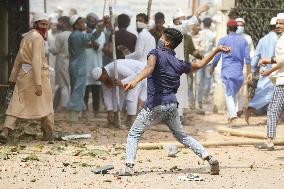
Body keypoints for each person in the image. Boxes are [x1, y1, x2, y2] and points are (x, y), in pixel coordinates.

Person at [118, 28, 231, 176]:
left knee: (134, 133)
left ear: (167, 42)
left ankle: (128, 166)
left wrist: (134, 82)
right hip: (172, 105)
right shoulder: (178, 63)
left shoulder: (155, 53)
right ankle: (209, 158)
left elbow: (150, 67)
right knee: (182, 136)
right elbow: (199, 64)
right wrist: (216, 50)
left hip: (155, 104)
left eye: (162, 37)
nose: (160, 38)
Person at [0, 13, 54, 143]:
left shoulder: (27, 36)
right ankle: (48, 133)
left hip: (23, 75)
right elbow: (36, 60)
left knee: (16, 104)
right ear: (35, 24)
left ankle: (5, 131)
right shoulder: (38, 38)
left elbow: (18, 59)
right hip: (37, 75)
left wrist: (13, 78)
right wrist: (38, 84)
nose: (44, 27)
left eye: (46, 24)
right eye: (42, 24)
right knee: (47, 106)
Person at [66, 15, 105, 121]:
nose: (84, 24)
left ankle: (77, 112)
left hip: (76, 64)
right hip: (78, 65)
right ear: (76, 25)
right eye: (81, 23)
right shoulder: (77, 35)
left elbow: (84, 44)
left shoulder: (75, 35)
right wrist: (100, 29)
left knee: (78, 88)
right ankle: (73, 114)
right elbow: (91, 37)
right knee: (78, 90)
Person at [212, 20, 251, 124]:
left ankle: (233, 115)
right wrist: (249, 72)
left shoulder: (223, 40)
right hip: (239, 72)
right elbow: (247, 58)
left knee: (229, 95)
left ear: (227, 29)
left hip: (227, 72)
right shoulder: (243, 41)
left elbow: (217, 56)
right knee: (236, 94)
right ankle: (233, 114)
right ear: (237, 28)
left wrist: (212, 66)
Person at [256, 13, 284, 150]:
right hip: (280, 78)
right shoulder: (281, 38)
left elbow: (283, 61)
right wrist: (269, 60)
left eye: (281, 23)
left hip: (282, 81)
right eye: (277, 23)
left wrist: (269, 71)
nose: (278, 26)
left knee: (273, 110)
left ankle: (269, 140)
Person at [91, 59, 146, 126]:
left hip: (139, 72)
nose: (102, 81)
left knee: (130, 96)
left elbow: (133, 76)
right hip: (124, 77)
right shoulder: (103, 79)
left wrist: (122, 82)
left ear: (104, 73)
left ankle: (129, 120)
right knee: (116, 94)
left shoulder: (116, 67)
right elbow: (107, 95)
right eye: (99, 80)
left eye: (101, 79)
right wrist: (109, 111)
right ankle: (116, 118)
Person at [245, 17, 279, 124]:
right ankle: (251, 109)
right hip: (275, 71)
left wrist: (252, 71)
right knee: (272, 95)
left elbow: (255, 57)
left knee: (263, 93)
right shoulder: (279, 40)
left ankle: (269, 117)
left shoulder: (262, 39)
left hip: (263, 71)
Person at [84, 13, 106, 116]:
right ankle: (84, 111)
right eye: (88, 21)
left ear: (96, 22)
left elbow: (98, 47)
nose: (90, 23)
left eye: (92, 21)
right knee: (85, 90)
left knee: (96, 90)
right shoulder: (83, 33)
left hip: (96, 65)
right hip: (84, 65)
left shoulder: (101, 34)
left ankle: (96, 111)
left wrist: (91, 36)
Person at [49, 16, 72, 111]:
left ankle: (63, 106)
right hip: (71, 61)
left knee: (63, 85)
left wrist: (47, 48)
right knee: (68, 84)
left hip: (62, 61)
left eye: (60, 22)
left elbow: (55, 50)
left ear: (65, 23)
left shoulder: (61, 35)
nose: (58, 24)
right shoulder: (72, 34)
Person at [235, 17, 255, 116]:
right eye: (238, 25)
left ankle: (238, 109)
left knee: (242, 88)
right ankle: (233, 109)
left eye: (241, 25)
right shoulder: (230, 37)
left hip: (243, 66)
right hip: (232, 66)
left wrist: (249, 67)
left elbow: (252, 52)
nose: (240, 27)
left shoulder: (248, 38)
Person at [196, 17, 216, 109]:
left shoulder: (199, 34)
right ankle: (205, 96)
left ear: (203, 24)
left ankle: (199, 100)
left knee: (199, 81)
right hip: (209, 60)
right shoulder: (213, 35)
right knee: (208, 79)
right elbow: (215, 49)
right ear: (210, 24)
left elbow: (196, 46)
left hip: (200, 60)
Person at [47, 15, 59, 97]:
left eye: (56, 25)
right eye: (53, 25)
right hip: (50, 59)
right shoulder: (47, 34)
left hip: (59, 60)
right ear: (50, 25)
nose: (55, 26)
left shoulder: (60, 34)